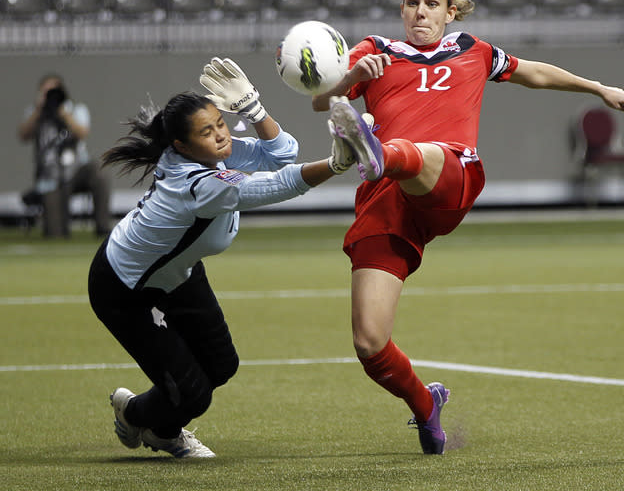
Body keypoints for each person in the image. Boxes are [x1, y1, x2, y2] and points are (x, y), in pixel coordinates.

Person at [312, 0, 624, 455]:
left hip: (448, 177)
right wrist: (351, 77)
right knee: (369, 343)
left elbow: (534, 72)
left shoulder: (473, 49)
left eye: (430, 4)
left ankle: (378, 153)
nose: (419, 12)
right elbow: (325, 99)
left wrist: (597, 87)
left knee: (413, 151)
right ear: (401, 9)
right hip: (386, 201)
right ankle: (426, 404)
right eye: (411, 3)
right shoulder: (372, 50)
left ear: (450, 12)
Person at [87, 57, 366, 458]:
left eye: (220, 124)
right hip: (125, 288)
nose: (220, 137)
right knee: (194, 396)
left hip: (176, 273)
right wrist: (338, 163)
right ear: (181, 145)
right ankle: (152, 426)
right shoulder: (196, 184)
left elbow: (282, 153)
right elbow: (275, 185)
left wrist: (254, 108)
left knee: (221, 365)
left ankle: (140, 414)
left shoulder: (212, 155)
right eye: (207, 132)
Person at [17, 74, 112, 237]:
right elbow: (24, 135)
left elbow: (82, 132)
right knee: (55, 233)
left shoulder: (75, 109)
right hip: (51, 175)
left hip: (77, 169)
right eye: (46, 92)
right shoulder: (35, 113)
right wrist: (39, 111)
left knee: (100, 174)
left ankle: (103, 227)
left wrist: (63, 113)